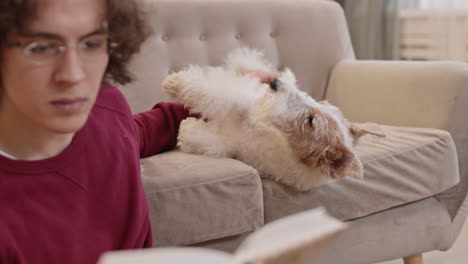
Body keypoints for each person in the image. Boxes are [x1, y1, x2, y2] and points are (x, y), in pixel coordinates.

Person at [0, 0, 279, 263]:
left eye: (91, 44)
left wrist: (234, 92)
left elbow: (147, 129)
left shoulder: (107, 109)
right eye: (41, 48)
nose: (73, 74)